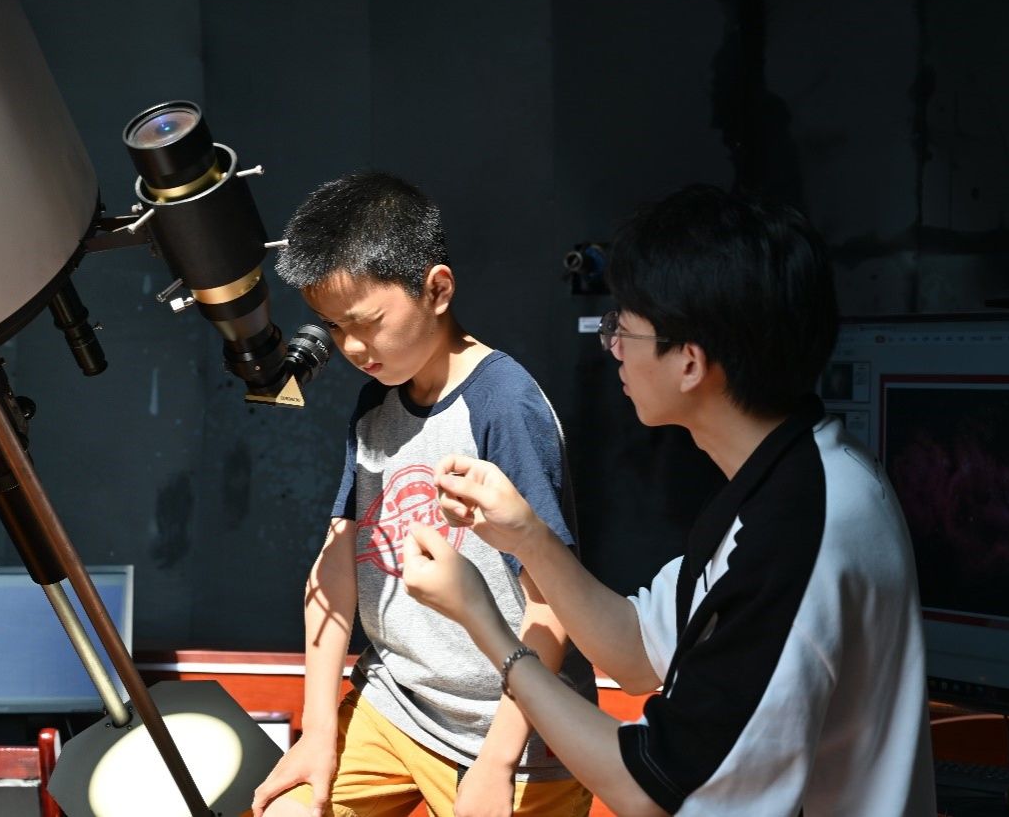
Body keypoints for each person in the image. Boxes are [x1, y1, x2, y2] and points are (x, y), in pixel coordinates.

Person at [402, 184, 937, 816]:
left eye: (623, 329)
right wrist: (529, 537)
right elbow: (635, 652)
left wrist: (486, 625)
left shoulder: (799, 530)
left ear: (689, 362)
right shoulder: (790, 474)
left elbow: (649, 789)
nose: (612, 347)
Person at [251, 171, 597, 817]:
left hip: (517, 731)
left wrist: (497, 763)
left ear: (437, 289)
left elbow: (554, 604)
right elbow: (335, 566)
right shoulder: (373, 405)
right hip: (396, 703)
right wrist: (318, 732)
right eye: (333, 328)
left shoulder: (505, 405)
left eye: (366, 323)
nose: (352, 348)